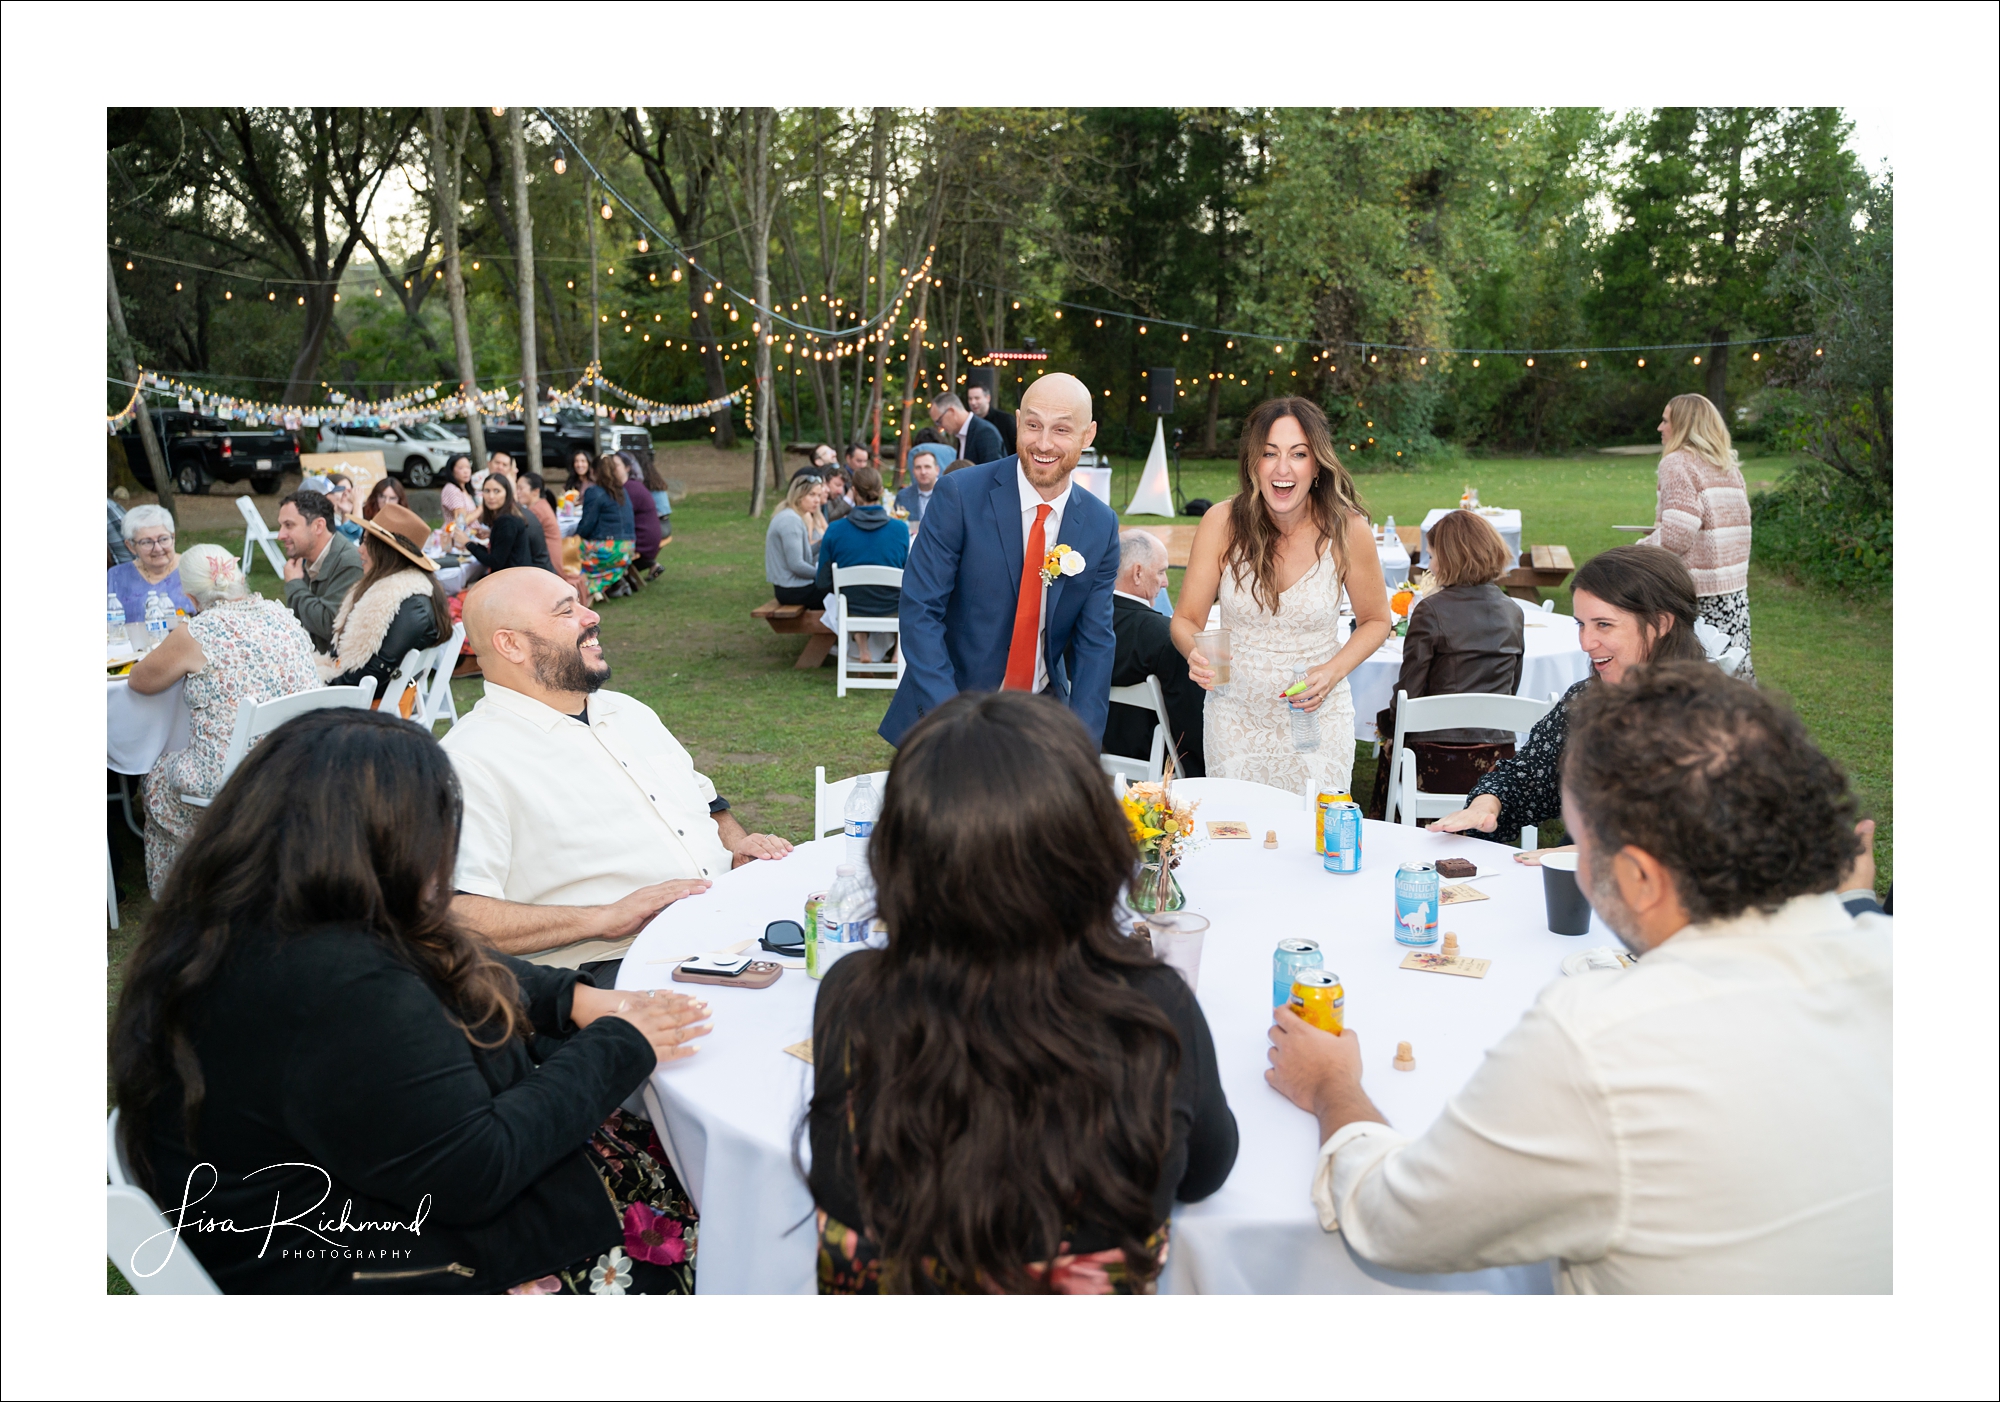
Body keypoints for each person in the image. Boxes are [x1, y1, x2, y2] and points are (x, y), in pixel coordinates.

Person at [1265, 661, 1889, 1293]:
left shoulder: (1598, 1039)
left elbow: (1394, 1224)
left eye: (1582, 846)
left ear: (1641, 879)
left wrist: (1330, 1085)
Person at [111, 707, 712, 1294]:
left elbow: (444, 952)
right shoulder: (339, 986)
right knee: (706, 1213)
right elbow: (475, 1171)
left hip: (362, 1207)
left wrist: (573, 999)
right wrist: (622, 1043)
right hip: (374, 1265)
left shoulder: (252, 916)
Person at [810, 690, 1237, 1293]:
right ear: (1089, 847)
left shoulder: (852, 996)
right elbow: (1205, 1174)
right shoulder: (1152, 1005)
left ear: (902, 855)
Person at [441, 568, 794, 980]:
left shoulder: (627, 710)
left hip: (726, 925)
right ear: (511, 645)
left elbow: (710, 807)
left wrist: (738, 848)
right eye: (566, 611)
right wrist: (604, 919)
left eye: (582, 602)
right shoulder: (468, 760)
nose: (591, 617)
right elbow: (455, 914)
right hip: (610, 967)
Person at [879, 373, 1121, 749]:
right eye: (1033, 425)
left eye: (1061, 430)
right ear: (1018, 419)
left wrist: (1082, 747)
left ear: (1087, 436)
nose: (1043, 443)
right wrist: (954, 722)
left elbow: (1095, 645)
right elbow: (920, 612)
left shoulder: (1100, 525)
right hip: (950, 712)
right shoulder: (960, 495)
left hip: (1040, 720)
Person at [1170, 397, 1394, 797]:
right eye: (1269, 453)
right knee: (1235, 838)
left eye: (1298, 454)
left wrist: (1333, 671)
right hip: (1235, 720)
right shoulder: (1221, 522)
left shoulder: (1349, 530)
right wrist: (1195, 655)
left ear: (1317, 465)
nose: (1282, 468)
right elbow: (1185, 619)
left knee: (1315, 843)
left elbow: (1377, 620)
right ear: (1253, 462)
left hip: (1317, 723)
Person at [1426, 544, 1707, 858]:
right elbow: (1529, 775)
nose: (1586, 643)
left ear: (1661, 624)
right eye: (1581, 624)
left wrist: (1579, 856)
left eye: (1604, 624)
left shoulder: (1710, 718)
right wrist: (1487, 803)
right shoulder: (1586, 701)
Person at [128, 544, 320, 895]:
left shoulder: (196, 633)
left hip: (236, 776)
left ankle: (190, 891)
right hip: (301, 760)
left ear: (188, 595)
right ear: (240, 579)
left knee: (155, 778)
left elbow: (140, 680)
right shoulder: (281, 615)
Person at [1366, 509, 1524, 819]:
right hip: (1497, 755)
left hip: (1438, 757)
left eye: (1434, 555)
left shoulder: (1431, 610)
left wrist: (1388, 730)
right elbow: (1511, 686)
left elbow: (1408, 691)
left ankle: (1393, 828)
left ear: (1452, 559)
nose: (1430, 564)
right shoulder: (1513, 611)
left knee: (1392, 744)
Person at [1641, 393, 1755, 683]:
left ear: (1682, 425)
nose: (1660, 427)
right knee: (1732, 675)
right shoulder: (1727, 466)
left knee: (1687, 682)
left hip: (1695, 595)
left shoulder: (1677, 463)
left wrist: (1642, 549)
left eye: (1666, 420)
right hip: (1733, 595)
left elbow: (1679, 534)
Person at [317, 502, 449, 706]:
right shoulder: (385, 591)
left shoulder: (412, 604)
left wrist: (324, 687)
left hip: (372, 708)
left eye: (367, 543)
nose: (359, 550)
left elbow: (376, 673)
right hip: (361, 696)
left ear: (386, 552)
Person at [1106, 529, 1205, 777]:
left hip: (1089, 747)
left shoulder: (1081, 623)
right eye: (1161, 572)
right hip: (1154, 763)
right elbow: (1191, 723)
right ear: (1138, 573)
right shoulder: (1165, 637)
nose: (1166, 582)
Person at [814, 465, 910, 665]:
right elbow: (909, 577)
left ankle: (863, 650)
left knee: (849, 594)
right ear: (881, 491)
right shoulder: (900, 530)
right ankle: (895, 655)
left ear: (854, 491)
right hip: (891, 606)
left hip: (852, 606)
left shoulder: (835, 530)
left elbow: (822, 580)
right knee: (907, 596)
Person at [276, 488, 365, 654]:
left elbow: (329, 625)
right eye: (281, 526)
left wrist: (295, 585)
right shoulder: (304, 560)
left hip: (338, 670)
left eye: (289, 525)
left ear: (318, 526)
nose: (280, 535)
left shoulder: (349, 564)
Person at [107, 504, 194, 621]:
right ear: (131, 547)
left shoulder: (195, 568)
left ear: (173, 537)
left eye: (163, 539)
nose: (157, 548)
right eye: (146, 542)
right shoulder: (116, 576)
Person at [577, 454, 638, 603]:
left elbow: (586, 526)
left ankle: (573, 598)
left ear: (593, 471)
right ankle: (587, 599)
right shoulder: (622, 492)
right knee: (587, 578)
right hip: (626, 550)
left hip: (606, 550)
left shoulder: (594, 492)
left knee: (566, 556)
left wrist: (576, 534)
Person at [766, 472, 828, 607]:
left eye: (818, 495)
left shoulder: (791, 516)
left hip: (792, 588)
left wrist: (819, 544)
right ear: (798, 496)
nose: (817, 500)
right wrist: (826, 575)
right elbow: (796, 565)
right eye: (811, 495)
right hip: (793, 590)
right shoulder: (790, 521)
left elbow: (800, 555)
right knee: (843, 592)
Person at [466, 473, 540, 574]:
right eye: (487, 491)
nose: (491, 496)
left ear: (507, 494)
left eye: (497, 491)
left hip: (514, 580)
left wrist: (467, 543)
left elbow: (495, 561)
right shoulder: (507, 516)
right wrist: (491, 535)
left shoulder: (507, 522)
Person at [929, 390, 1004, 466]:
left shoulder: (985, 432)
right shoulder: (964, 433)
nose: (939, 426)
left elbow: (993, 470)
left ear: (951, 411)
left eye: (939, 421)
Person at [621, 450, 664, 579]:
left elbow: (624, 517)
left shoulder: (630, 488)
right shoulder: (639, 485)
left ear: (628, 467)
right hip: (659, 527)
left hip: (648, 537)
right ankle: (651, 564)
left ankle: (620, 578)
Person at [894, 446, 942, 522]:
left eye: (927, 467)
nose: (923, 472)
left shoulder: (947, 493)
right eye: (918, 467)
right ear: (913, 471)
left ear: (937, 470)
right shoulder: (903, 496)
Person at [967, 382, 1016, 456]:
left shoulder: (1006, 420)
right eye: (970, 399)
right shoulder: (968, 424)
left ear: (988, 398)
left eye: (977, 398)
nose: (973, 402)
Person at [440, 454, 478, 528]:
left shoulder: (465, 490)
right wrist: (481, 508)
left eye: (468, 467)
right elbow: (461, 521)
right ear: (451, 471)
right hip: (457, 536)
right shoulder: (451, 489)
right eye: (461, 468)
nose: (466, 471)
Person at [325, 473, 364, 542]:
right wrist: (357, 503)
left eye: (349, 491)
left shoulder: (339, 516)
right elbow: (354, 533)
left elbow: (348, 538)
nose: (345, 494)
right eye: (341, 489)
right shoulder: (325, 518)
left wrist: (346, 512)